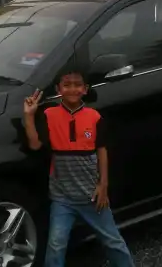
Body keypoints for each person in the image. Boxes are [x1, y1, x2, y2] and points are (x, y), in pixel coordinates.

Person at [23, 68, 135, 267]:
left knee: (113, 241)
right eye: (67, 85)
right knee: (56, 245)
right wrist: (29, 116)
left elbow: (102, 151)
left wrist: (103, 186)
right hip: (62, 199)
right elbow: (35, 145)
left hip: (92, 196)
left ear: (85, 89)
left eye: (77, 85)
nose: (72, 89)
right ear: (59, 89)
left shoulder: (94, 117)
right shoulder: (49, 115)